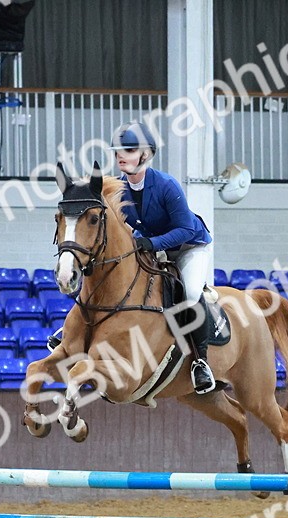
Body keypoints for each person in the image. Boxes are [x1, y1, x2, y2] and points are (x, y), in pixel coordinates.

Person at [50, 121, 217, 394]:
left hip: (188, 247)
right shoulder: (118, 189)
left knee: (190, 292)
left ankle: (200, 362)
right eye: (118, 151)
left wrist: (150, 242)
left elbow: (185, 229)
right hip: (149, 247)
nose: (121, 156)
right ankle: (69, 334)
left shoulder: (166, 185)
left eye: (128, 150)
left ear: (146, 154)